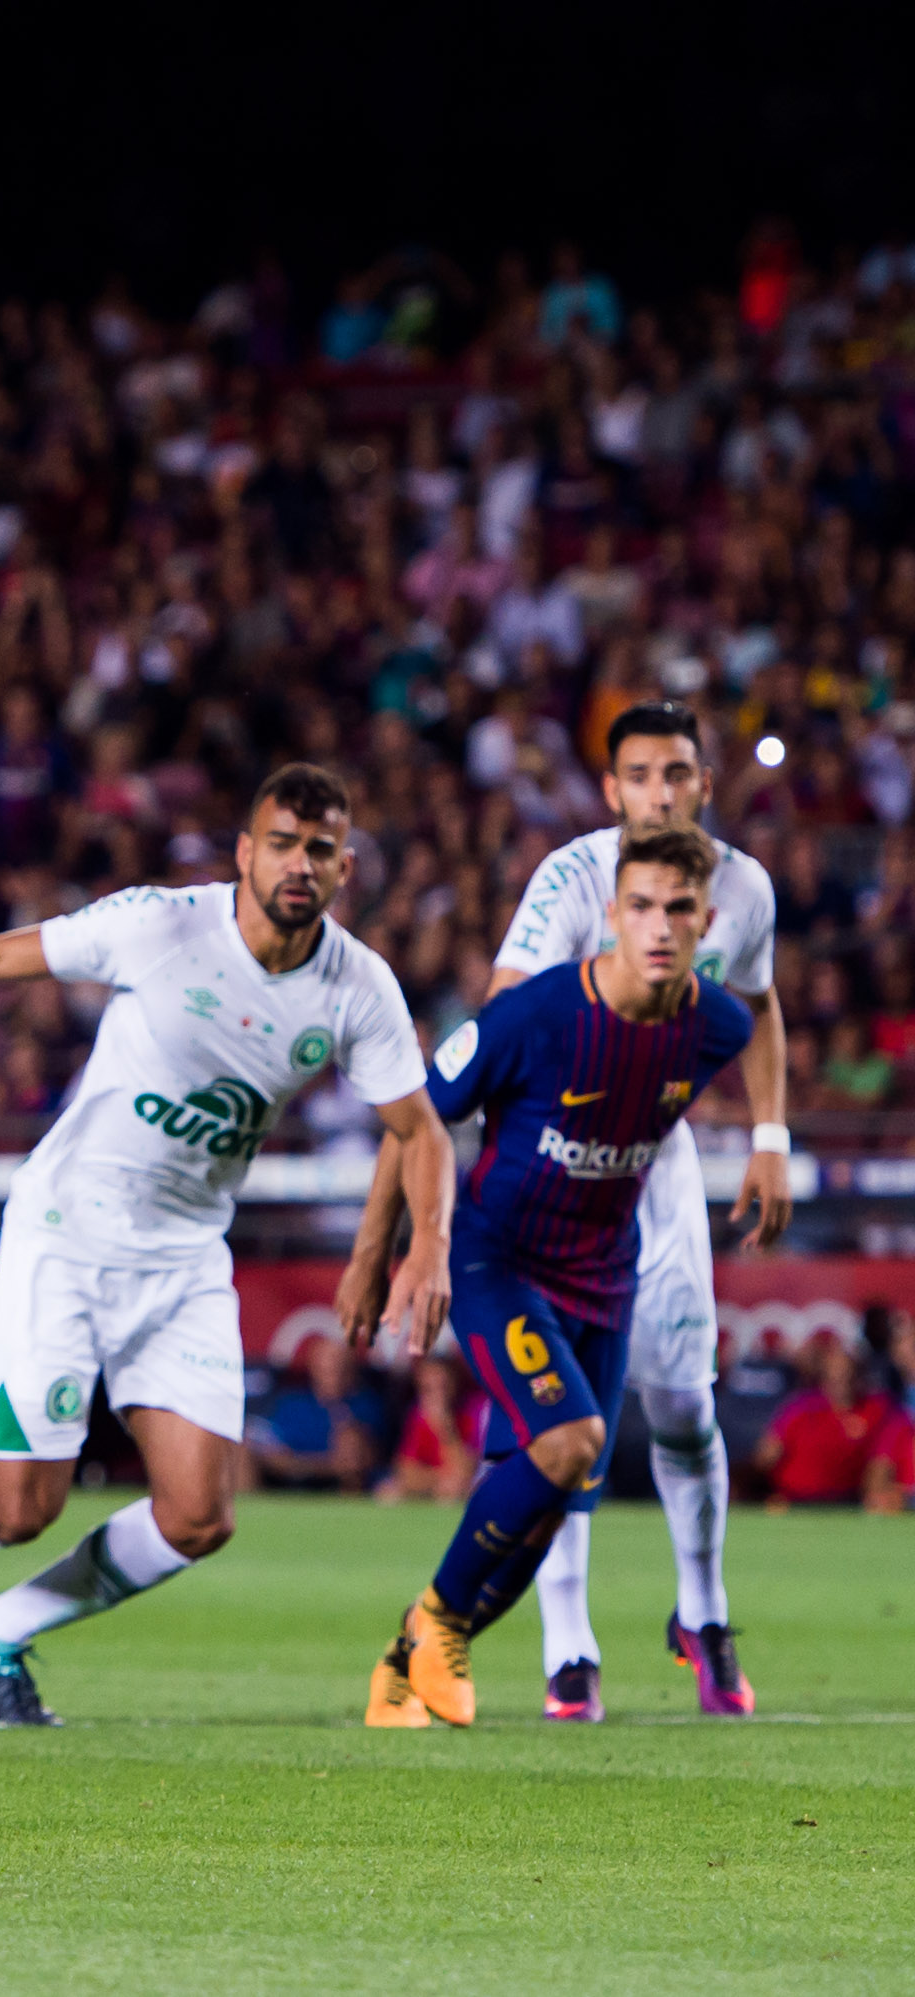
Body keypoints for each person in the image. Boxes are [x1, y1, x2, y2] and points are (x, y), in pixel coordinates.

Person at [0, 765, 453, 1725]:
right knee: (20, 1508)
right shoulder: (162, 925)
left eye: (320, 850)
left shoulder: (356, 986)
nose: (299, 864)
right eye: (281, 843)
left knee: (200, 1517)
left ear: (345, 867)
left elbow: (422, 1130)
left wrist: (418, 1248)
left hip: (187, 1253)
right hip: (68, 1231)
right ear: (244, 852)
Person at [348, 823, 752, 1729]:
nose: (658, 926)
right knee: (567, 1440)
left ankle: (402, 1666)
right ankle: (439, 1623)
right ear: (610, 914)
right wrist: (393, 1250)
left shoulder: (717, 1027)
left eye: (678, 910)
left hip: (605, 1280)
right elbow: (415, 1119)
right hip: (500, 1260)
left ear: (705, 922)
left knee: (560, 1491)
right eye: (640, 906)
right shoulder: (532, 1016)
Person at [482, 702, 789, 1720]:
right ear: (613, 791)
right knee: (567, 1413)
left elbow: (760, 999)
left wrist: (771, 1137)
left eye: (680, 774)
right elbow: (508, 997)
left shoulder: (741, 887)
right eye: (643, 774)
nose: (663, 791)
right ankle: (568, 1641)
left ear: (706, 782)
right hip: (560, 1171)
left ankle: (701, 1610)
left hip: (657, 1167)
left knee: (686, 1405)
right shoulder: (574, 879)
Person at [752, 1338, 911, 1508]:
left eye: (848, 1374)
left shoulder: (878, 1408)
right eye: (834, 1375)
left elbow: (882, 1458)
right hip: (793, 1499)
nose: (841, 1381)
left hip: (846, 1501)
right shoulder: (802, 1407)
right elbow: (767, 1456)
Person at [248, 1335, 389, 1492]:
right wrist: (322, 1466)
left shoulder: (366, 1404)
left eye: (339, 1365)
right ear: (314, 1367)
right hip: (293, 1478)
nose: (334, 1371)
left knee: (351, 1445)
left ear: (351, 1369)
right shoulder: (292, 1404)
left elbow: (371, 1456)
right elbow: (274, 1454)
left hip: (347, 1484)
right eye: (327, 1365)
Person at [374, 1353, 483, 1504]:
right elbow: (405, 1470)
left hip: (468, 1487)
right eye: (429, 1388)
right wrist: (438, 1481)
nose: (439, 1394)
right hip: (438, 1486)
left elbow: (467, 1472)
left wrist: (445, 1428)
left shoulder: (475, 1410)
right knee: (388, 1492)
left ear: (456, 1382)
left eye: (443, 1385)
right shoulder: (418, 1413)